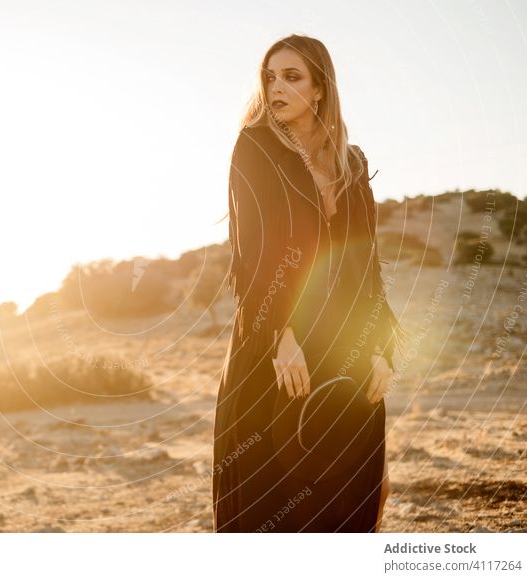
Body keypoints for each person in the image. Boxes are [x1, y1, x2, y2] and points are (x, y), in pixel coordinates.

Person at [212, 34, 407, 533]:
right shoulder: (255, 148)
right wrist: (283, 336)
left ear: (320, 88)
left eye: (291, 77)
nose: (276, 88)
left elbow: (366, 262)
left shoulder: (353, 162)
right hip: (275, 338)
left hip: (346, 338)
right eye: (269, 77)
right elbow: (252, 254)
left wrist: (381, 345)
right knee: (270, 491)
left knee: (348, 489)